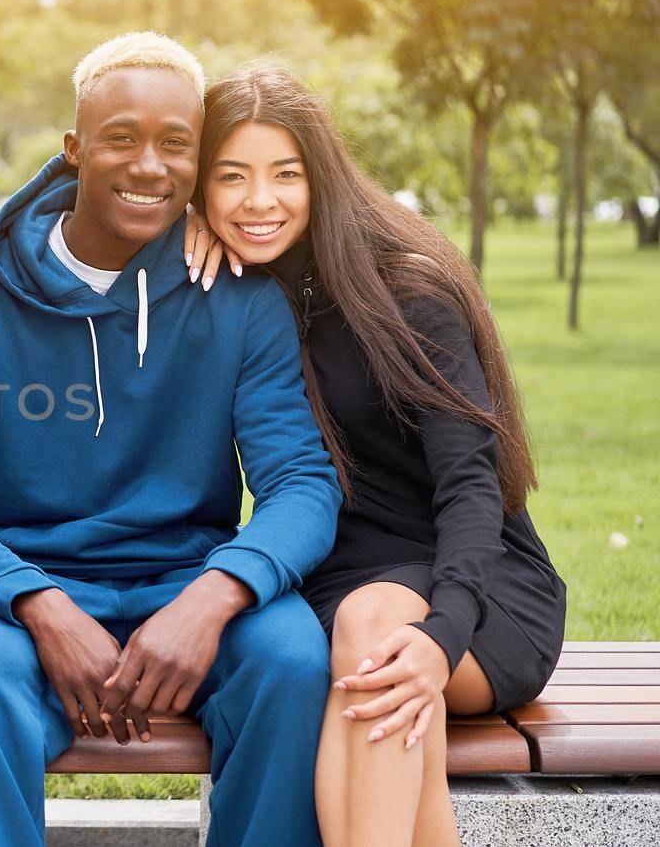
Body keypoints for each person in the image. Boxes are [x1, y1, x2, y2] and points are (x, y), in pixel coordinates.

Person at [0, 31, 343, 847]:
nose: (150, 166)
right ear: (74, 149)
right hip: (23, 588)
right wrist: (40, 604)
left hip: (191, 576)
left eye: (177, 145)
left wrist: (216, 594)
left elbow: (302, 483)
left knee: (293, 662)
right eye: (122, 138)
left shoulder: (241, 300)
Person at [192, 63, 566, 847]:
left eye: (284, 174)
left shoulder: (405, 290)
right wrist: (178, 227)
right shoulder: (225, 286)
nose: (258, 201)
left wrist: (443, 635)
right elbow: (101, 190)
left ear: (319, 176)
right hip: (334, 588)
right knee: (377, 671)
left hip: (479, 589)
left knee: (379, 641)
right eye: (230, 177)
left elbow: (473, 485)